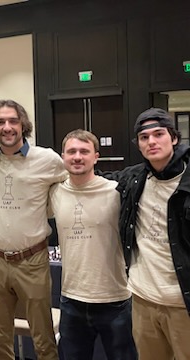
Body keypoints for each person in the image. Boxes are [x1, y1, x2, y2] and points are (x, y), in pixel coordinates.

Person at [0, 99, 66, 360]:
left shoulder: (47, 159)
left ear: (23, 125)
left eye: (13, 121)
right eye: (0, 122)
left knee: (43, 339)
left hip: (32, 260)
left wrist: (47, 209)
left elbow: (68, 186)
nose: (7, 127)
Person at [107, 107, 190, 360]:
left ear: (174, 138)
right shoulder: (134, 179)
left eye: (159, 134)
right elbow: (98, 180)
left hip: (183, 304)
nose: (152, 141)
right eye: (144, 137)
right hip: (143, 299)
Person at [48, 129, 136, 360]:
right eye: (72, 151)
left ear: (96, 157)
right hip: (71, 299)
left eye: (84, 151)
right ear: (63, 156)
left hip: (114, 299)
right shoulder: (55, 192)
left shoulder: (115, 192)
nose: (77, 156)